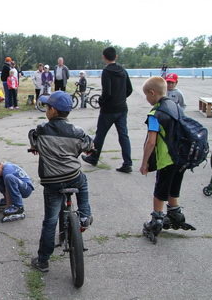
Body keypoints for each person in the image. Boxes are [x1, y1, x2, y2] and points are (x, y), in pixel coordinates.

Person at [28, 91, 93, 272]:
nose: (46, 110)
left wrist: (35, 147)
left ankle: (43, 260)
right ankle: (85, 215)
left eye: (47, 107)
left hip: (52, 181)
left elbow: (32, 137)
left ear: (53, 111)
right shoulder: (77, 132)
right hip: (72, 176)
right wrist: (88, 150)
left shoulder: (41, 130)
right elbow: (89, 145)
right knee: (83, 181)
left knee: (50, 220)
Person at [139, 76, 192, 240]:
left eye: (146, 96)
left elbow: (151, 142)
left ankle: (157, 219)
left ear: (152, 93)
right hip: (181, 156)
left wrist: (144, 162)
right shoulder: (175, 106)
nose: (147, 99)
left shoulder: (155, 113)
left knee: (160, 189)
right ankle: (176, 214)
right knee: (173, 186)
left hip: (167, 159)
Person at [82, 47, 133, 173]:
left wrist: (101, 101)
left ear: (104, 57)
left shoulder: (106, 72)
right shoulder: (123, 70)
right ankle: (127, 163)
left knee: (100, 134)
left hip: (108, 110)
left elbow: (107, 92)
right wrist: (121, 98)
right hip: (122, 108)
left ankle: (93, 157)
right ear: (116, 56)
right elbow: (129, 89)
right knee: (123, 135)